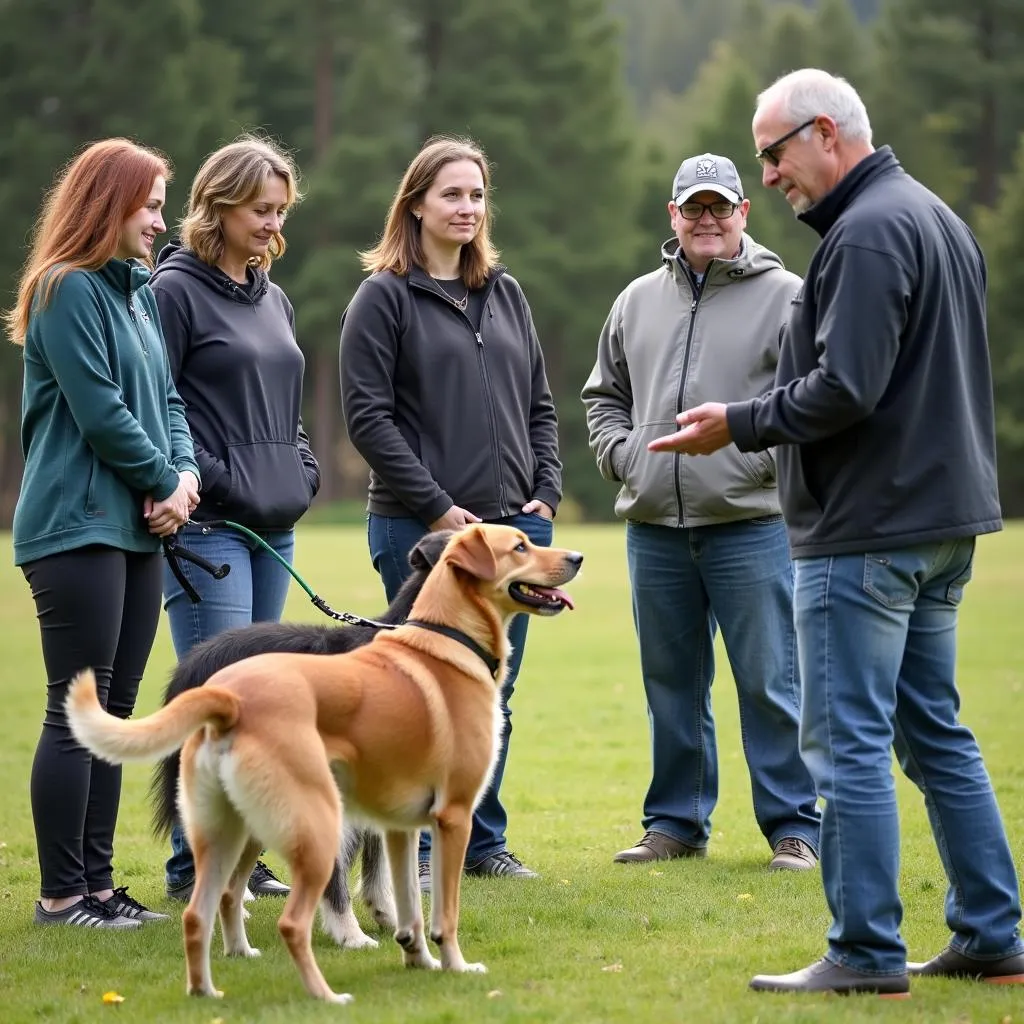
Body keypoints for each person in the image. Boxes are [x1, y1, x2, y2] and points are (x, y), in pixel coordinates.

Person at [650, 69, 1024, 996]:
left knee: (847, 741)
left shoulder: (864, 233)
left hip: (867, 534)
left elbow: (845, 389)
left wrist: (735, 420)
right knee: (935, 731)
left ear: (824, 133)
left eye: (773, 153)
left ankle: (863, 950)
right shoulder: (936, 216)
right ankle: (992, 934)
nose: (768, 176)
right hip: (941, 526)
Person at [582, 154, 820, 872]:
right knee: (672, 683)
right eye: (695, 208)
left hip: (751, 524)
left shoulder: (789, 297)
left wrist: (760, 465)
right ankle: (676, 823)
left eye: (721, 207)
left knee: (770, 682)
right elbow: (603, 398)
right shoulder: (635, 300)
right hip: (655, 528)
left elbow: (816, 402)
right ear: (673, 216)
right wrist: (628, 458)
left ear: (746, 212)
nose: (707, 220)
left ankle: (794, 827)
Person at [340, 135, 562, 889]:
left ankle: (482, 840)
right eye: (452, 195)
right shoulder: (383, 297)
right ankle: (422, 848)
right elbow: (368, 419)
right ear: (416, 205)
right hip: (419, 533)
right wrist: (439, 511)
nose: (467, 208)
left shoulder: (505, 292)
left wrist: (549, 491)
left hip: (515, 534)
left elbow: (539, 404)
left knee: (492, 693)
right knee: (418, 692)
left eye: (476, 195)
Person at [8, 139, 200, 928]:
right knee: (74, 708)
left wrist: (184, 482)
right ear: (107, 203)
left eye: (161, 204)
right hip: (75, 527)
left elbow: (170, 403)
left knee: (114, 713)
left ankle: (97, 887)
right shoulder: (66, 290)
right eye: (150, 204)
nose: (160, 220)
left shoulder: (139, 293)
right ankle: (61, 895)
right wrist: (161, 482)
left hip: (136, 528)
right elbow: (103, 414)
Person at [149, 136, 320, 903]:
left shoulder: (273, 294)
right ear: (216, 206)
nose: (271, 223)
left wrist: (303, 467)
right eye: (260, 209)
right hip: (209, 529)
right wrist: (217, 480)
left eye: (280, 210)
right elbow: (161, 405)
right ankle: (195, 869)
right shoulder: (172, 292)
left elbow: (286, 402)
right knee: (218, 696)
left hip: (272, 527)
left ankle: (242, 868)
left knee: (261, 706)